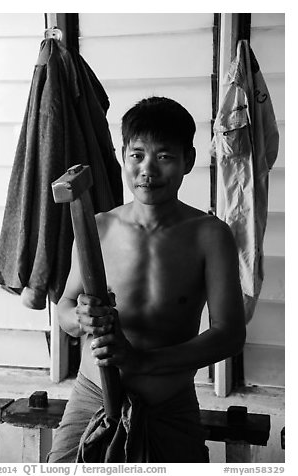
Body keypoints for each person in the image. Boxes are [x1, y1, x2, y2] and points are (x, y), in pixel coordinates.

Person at [47, 96, 246, 463]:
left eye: (164, 156)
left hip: (168, 402)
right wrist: (81, 318)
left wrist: (141, 362)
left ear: (188, 159)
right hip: (92, 393)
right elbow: (64, 309)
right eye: (137, 155)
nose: (148, 170)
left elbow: (229, 335)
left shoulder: (210, 235)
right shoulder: (99, 228)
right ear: (124, 156)